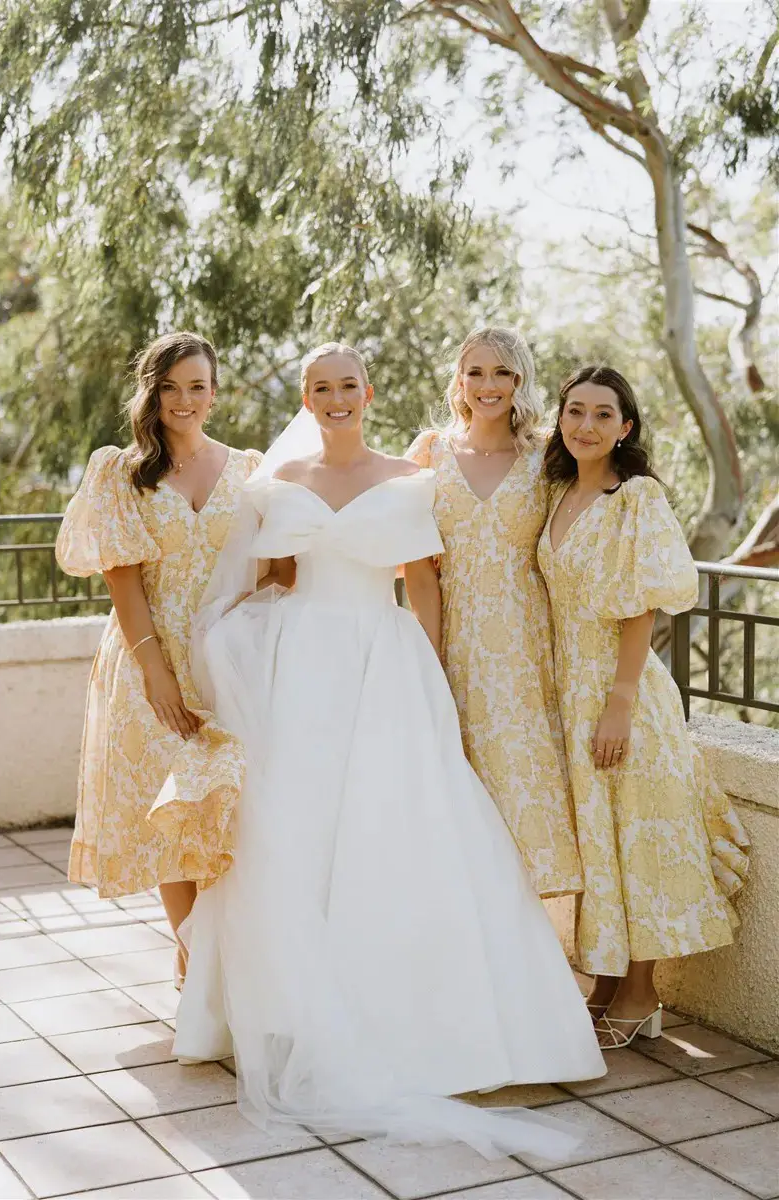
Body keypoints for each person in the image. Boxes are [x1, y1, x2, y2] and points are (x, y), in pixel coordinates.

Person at [170, 341, 605, 1161]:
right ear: (307, 396)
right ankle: (286, 1012)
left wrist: (431, 676)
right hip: (300, 671)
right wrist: (235, 655)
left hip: (383, 660)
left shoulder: (410, 483)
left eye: (347, 386)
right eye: (319, 387)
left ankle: (416, 1016)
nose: (335, 398)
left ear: (369, 392)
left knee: (393, 829)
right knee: (296, 836)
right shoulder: (276, 486)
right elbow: (266, 580)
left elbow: (426, 585)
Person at [537, 364, 749, 1049]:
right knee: (598, 840)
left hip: (623, 691)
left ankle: (641, 991)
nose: (586, 425)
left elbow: (642, 604)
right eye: (575, 411)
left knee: (638, 838)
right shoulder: (559, 492)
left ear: (625, 428)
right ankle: (604, 980)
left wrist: (620, 703)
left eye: (603, 414)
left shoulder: (637, 498)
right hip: (571, 692)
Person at [56, 331, 262, 986]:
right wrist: (155, 673)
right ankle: (200, 966)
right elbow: (122, 580)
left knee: (222, 807)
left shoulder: (250, 469)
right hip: (151, 656)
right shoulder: (123, 471)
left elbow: (270, 568)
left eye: (197, 386)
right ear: (152, 392)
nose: (184, 400)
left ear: (215, 391)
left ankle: (198, 956)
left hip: (226, 661)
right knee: (172, 812)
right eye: (170, 387)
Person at [407, 327, 582, 899]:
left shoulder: (547, 455)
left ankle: (545, 944)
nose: (489, 385)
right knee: (462, 784)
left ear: (520, 381)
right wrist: (428, 658)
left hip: (530, 652)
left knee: (529, 782)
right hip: (455, 647)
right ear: (459, 380)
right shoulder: (430, 453)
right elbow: (419, 570)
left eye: (502, 373)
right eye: (476, 372)